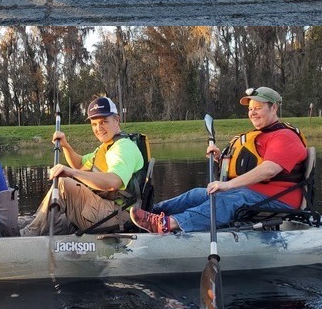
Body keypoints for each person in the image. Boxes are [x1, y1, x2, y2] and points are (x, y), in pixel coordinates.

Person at [130, 86, 309, 235]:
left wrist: (228, 185)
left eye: (258, 108)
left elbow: (269, 170)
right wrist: (220, 159)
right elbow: (249, 166)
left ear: (274, 108)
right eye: (250, 109)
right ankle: (149, 213)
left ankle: (169, 223)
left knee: (226, 200)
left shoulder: (284, 137)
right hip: (251, 193)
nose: (252, 113)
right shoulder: (262, 135)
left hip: (278, 199)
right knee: (197, 194)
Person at [22, 95, 146, 235]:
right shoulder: (107, 146)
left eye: (104, 121)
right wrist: (65, 146)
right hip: (105, 209)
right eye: (94, 124)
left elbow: (113, 182)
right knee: (56, 223)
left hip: (118, 215)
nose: (98, 128)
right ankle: (25, 230)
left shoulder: (122, 147)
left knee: (63, 184)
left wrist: (71, 173)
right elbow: (80, 164)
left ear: (116, 120)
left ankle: (25, 238)